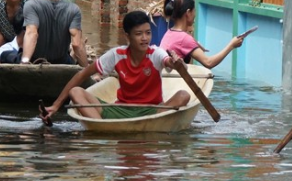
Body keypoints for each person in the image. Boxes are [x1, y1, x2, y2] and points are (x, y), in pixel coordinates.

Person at [40, 10, 190, 123]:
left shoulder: (156, 53)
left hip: (152, 111)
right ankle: (101, 125)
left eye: (148, 33)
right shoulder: (117, 54)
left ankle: (111, 127)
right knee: (76, 92)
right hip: (120, 110)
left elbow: (169, 62)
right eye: (139, 34)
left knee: (184, 95)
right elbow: (82, 75)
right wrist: (56, 105)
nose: (145, 38)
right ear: (127, 36)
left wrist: (177, 63)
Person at [20, 0, 88, 67]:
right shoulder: (73, 9)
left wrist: (24, 63)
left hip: (37, 62)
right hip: (62, 63)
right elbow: (77, 44)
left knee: (6, 55)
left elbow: (31, 34)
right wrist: (87, 72)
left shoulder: (31, 5)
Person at [158, 0, 245, 67]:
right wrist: (231, 45)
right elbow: (208, 63)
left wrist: (193, 45)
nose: (195, 14)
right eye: (194, 10)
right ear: (188, 13)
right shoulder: (184, 38)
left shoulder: (169, 33)